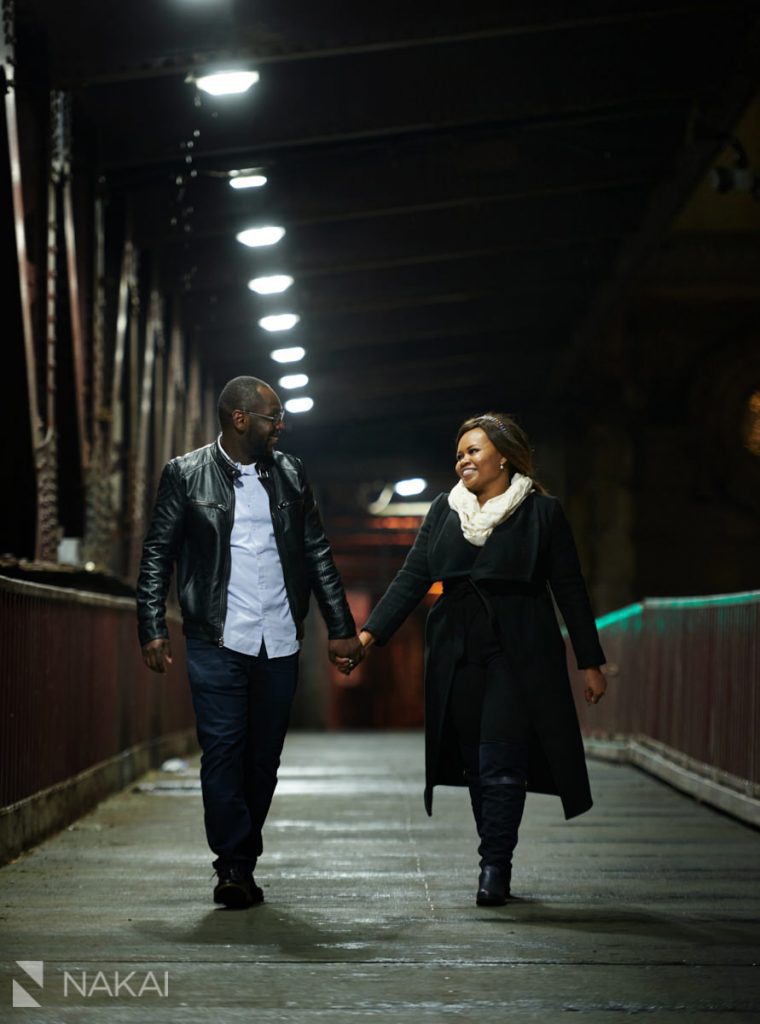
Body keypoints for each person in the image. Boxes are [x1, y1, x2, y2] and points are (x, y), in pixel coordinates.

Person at [341, 412, 607, 906]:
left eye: (474, 450)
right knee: (475, 763)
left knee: (503, 759)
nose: (462, 459)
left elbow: (569, 588)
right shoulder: (445, 511)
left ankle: (494, 867)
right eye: (460, 452)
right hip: (456, 648)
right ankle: (493, 854)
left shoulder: (541, 513)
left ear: (503, 456)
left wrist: (589, 661)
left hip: (519, 647)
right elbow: (412, 578)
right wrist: (366, 638)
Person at [136, 375, 363, 908]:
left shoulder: (290, 473)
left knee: (262, 759)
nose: (279, 425)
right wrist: (150, 625)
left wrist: (341, 627)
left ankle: (243, 856)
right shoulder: (185, 474)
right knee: (222, 751)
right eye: (271, 416)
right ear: (240, 419)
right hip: (216, 637)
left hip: (279, 638)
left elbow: (316, 552)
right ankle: (233, 865)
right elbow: (156, 555)